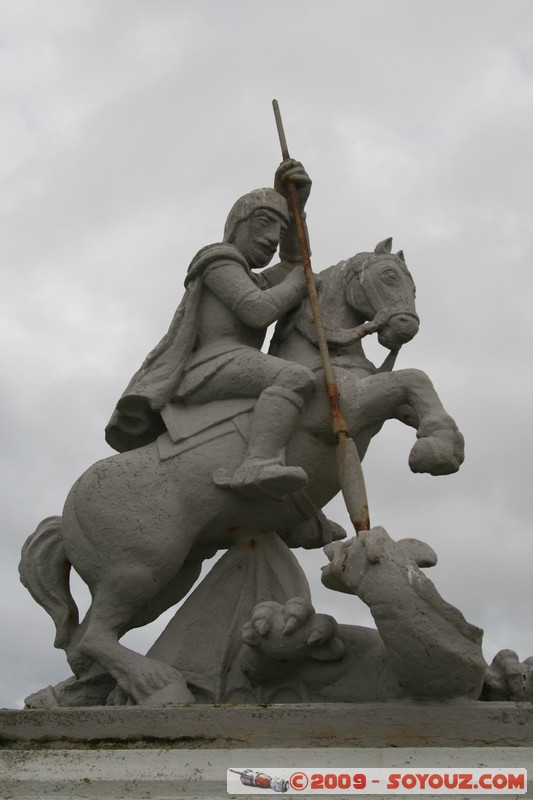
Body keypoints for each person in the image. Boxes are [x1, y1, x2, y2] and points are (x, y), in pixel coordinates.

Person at [106, 161, 316, 498]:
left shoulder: (255, 277)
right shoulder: (219, 260)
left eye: (279, 231)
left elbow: (295, 263)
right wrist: (296, 285)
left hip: (233, 362)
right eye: (264, 224)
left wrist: (295, 208)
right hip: (208, 366)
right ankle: (259, 463)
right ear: (238, 224)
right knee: (294, 377)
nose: (272, 238)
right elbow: (257, 310)